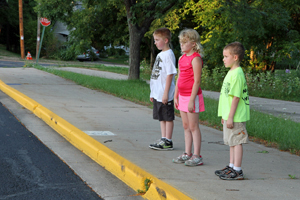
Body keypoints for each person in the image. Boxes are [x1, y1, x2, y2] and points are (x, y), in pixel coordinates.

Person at [215, 42, 250, 180]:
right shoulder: (231, 72)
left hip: (236, 116)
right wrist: (225, 115)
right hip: (229, 115)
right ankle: (231, 166)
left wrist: (230, 117)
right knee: (231, 141)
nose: (223, 59)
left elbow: (236, 98)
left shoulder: (237, 74)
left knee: (236, 142)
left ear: (235, 57)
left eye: (226, 56)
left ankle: (238, 170)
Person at [172, 29, 205, 166]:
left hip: (192, 97)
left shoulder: (195, 58)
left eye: (185, 42)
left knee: (193, 126)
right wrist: (176, 95)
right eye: (181, 42)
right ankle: (187, 153)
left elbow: (197, 81)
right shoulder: (181, 58)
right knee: (185, 126)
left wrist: (192, 99)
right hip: (182, 96)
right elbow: (179, 77)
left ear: (193, 43)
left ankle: (197, 155)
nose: (182, 45)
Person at [149, 27, 177, 150]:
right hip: (158, 93)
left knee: (167, 117)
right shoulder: (160, 55)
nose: (155, 42)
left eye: (157, 40)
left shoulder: (169, 55)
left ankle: (168, 140)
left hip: (165, 93)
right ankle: (163, 138)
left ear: (165, 40)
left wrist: (166, 93)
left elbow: (170, 74)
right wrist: (153, 92)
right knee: (161, 117)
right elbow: (156, 75)